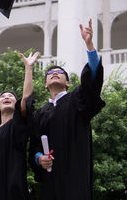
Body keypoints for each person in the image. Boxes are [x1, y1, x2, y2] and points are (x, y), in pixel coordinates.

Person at [29, 19, 106, 200]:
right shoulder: (40, 113)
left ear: (68, 82)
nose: (54, 73)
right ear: (46, 84)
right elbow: (33, 146)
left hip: (75, 175)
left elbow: (92, 82)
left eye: (60, 72)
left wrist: (89, 46)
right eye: (50, 73)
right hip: (51, 178)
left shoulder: (77, 99)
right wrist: (40, 158)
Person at [0, 51, 40, 200]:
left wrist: (28, 68)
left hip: (15, 187)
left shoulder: (18, 124)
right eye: (3, 97)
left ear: (16, 104)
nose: (7, 97)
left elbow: (26, 99)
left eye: (11, 96)